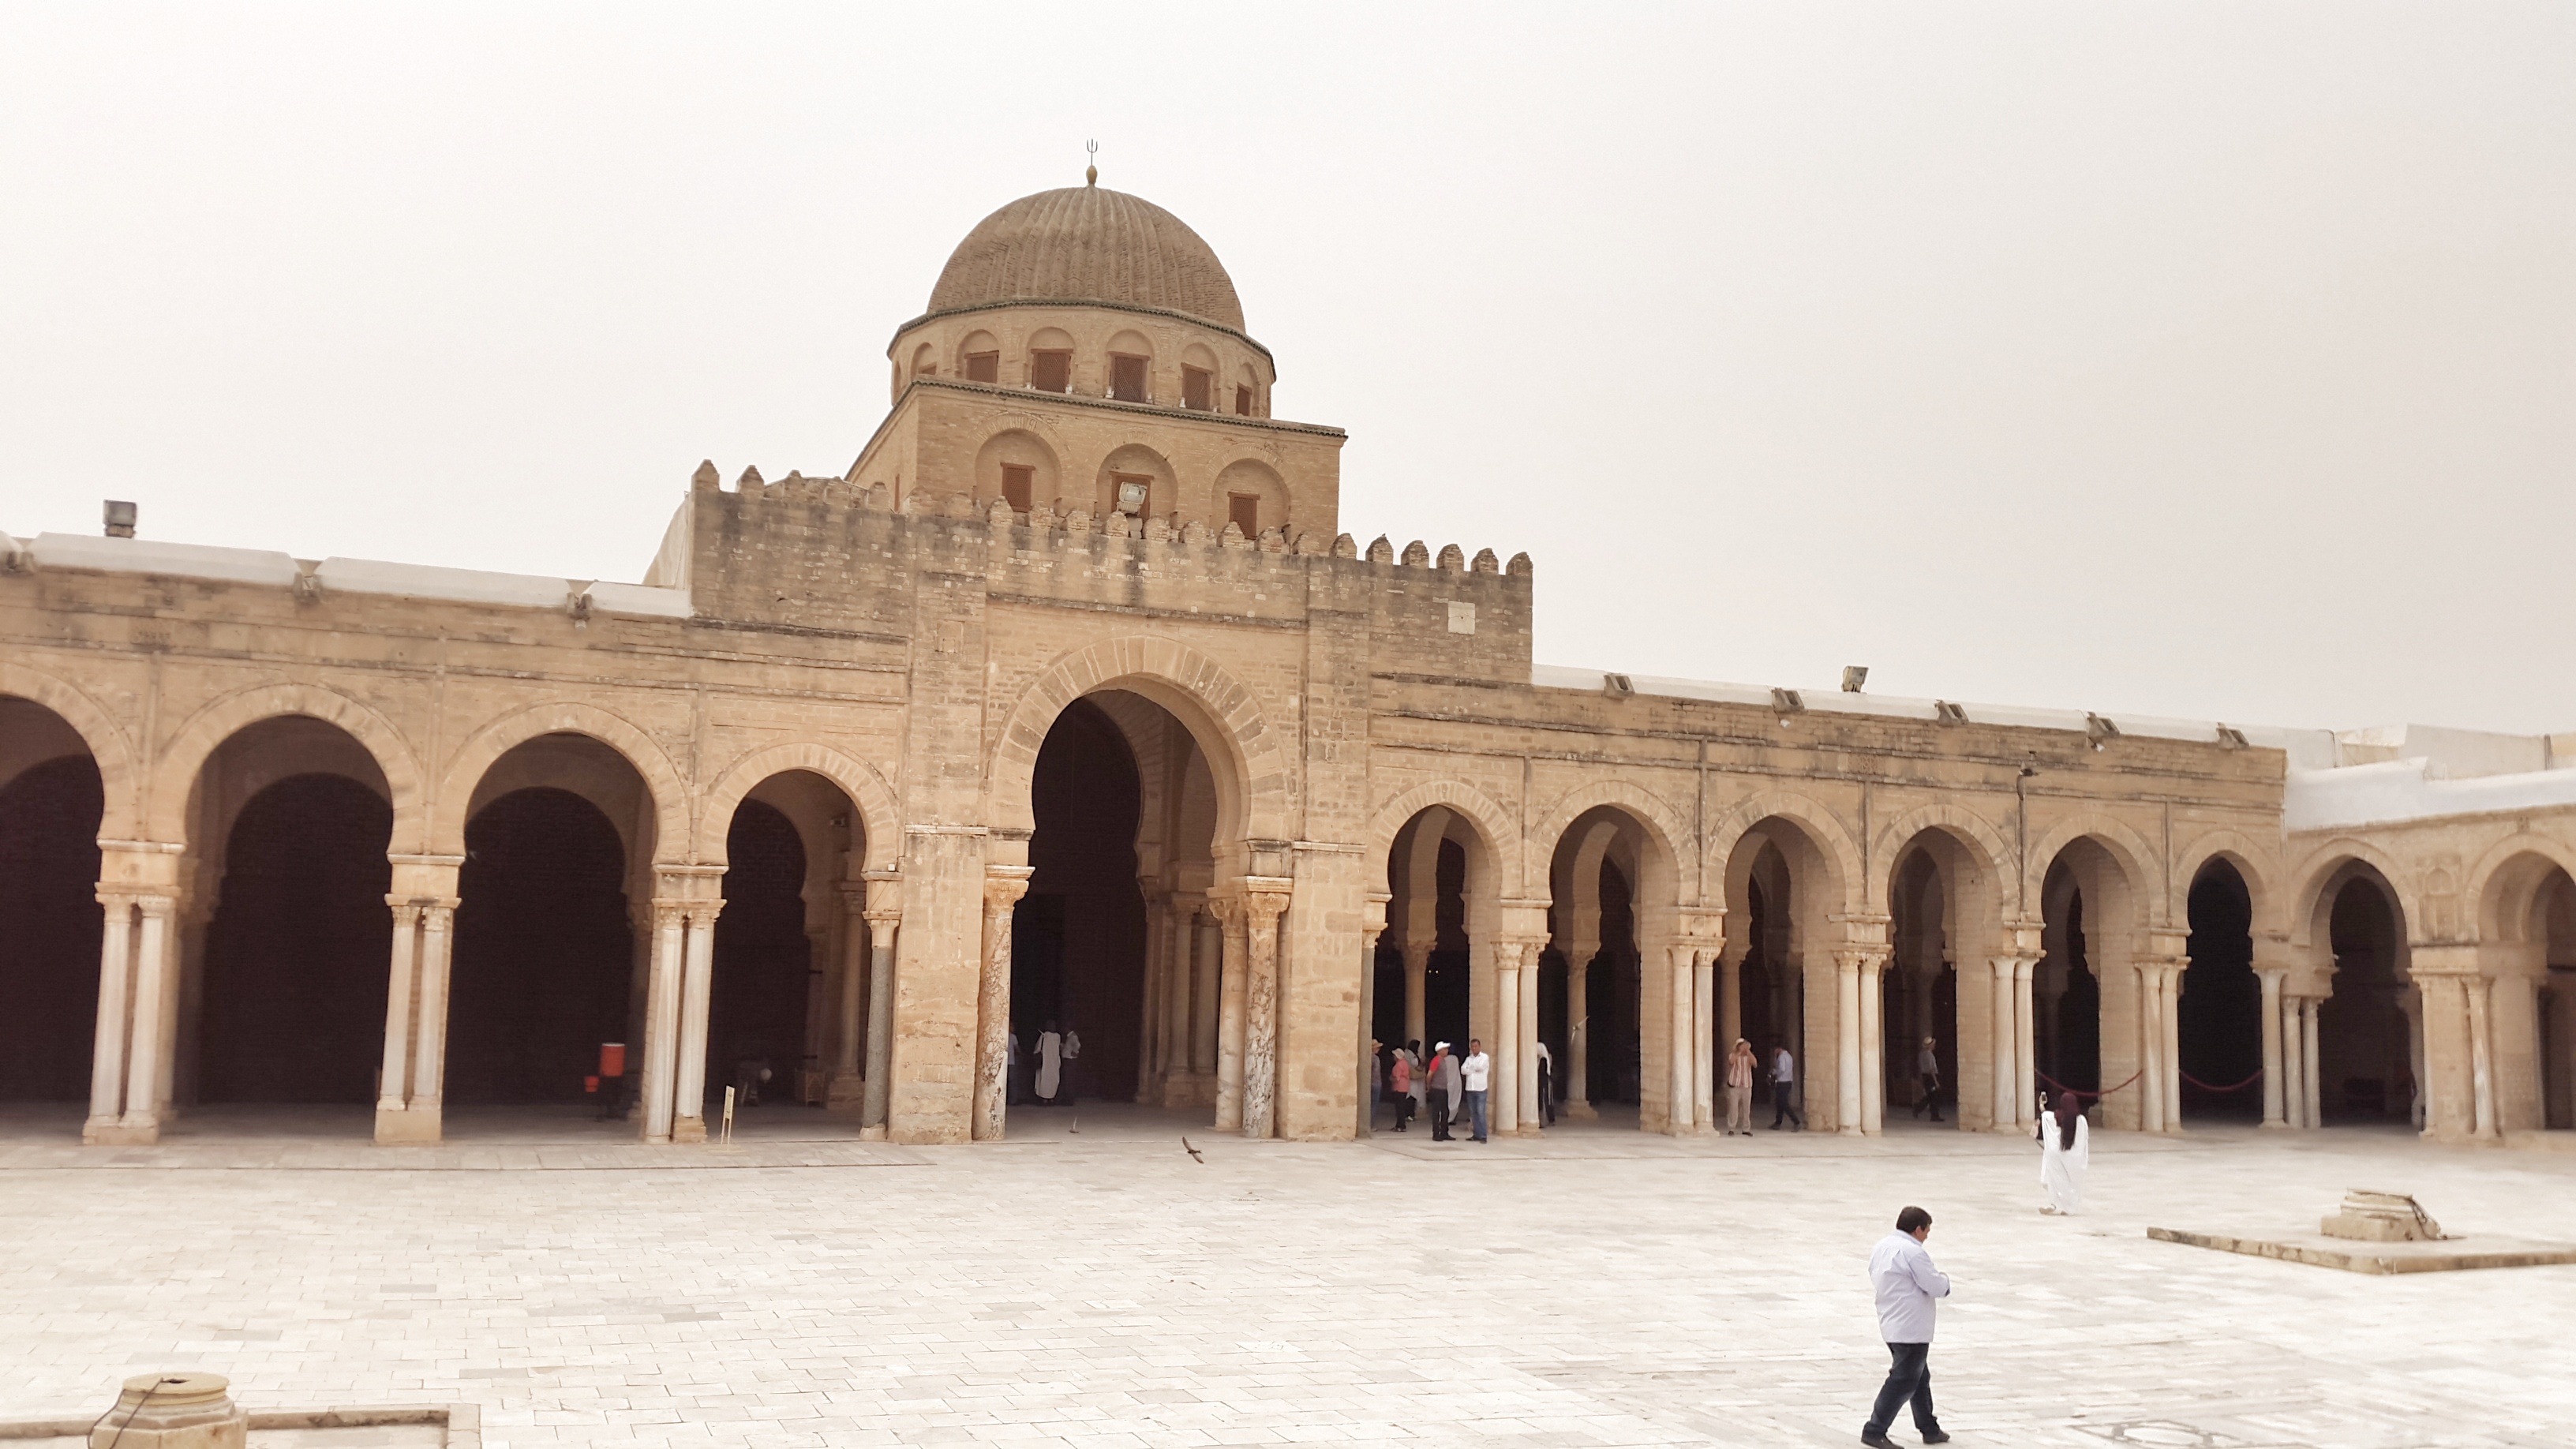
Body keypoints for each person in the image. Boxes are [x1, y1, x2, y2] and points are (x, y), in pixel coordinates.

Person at [1863, 1205, 1951, 1447]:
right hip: (1911, 1326)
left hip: (1892, 1320)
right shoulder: (1913, 1252)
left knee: (1919, 1375)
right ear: (1918, 1228)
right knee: (1904, 1379)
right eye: (1927, 1231)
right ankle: (1874, 1429)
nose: (1927, 1236)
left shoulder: (1882, 1246)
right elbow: (1934, 1284)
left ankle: (1929, 1428)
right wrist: (1945, 1282)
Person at [2039, 1090, 2089, 1215]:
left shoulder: (2056, 1117)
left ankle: (2053, 1203)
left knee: (2055, 1179)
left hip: (2058, 1154)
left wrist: (2041, 1104)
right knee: (2071, 1183)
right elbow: (2083, 1138)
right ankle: (2069, 1208)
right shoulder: (2081, 1120)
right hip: (2074, 1157)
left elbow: (2045, 1116)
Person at [1426, 1042, 1458, 1140]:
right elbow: (1429, 1075)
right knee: (1436, 1112)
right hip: (1437, 1089)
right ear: (1440, 1050)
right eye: (1445, 1049)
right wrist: (1429, 1086)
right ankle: (1436, 1133)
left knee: (1445, 1111)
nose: (1447, 1050)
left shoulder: (1443, 1060)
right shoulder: (1436, 1060)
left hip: (1443, 1089)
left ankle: (1444, 1132)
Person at [1462, 1037, 1492, 1143]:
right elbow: (1463, 1070)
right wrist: (1472, 1069)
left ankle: (1483, 1135)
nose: (1474, 1048)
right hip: (1470, 1088)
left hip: (1480, 1088)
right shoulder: (1468, 1058)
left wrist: (1470, 1069)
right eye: (1472, 1047)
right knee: (1473, 1113)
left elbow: (1480, 1067)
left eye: (1476, 1046)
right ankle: (1476, 1134)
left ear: (1480, 1047)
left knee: (1480, 1112)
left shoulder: (1484, 1057)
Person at [1724, 1038, 1755, 1135]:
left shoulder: (1749, 1057)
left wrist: (1748, 1052)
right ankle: (1731, 1128)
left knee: (1746, 1108)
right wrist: (1739, 1052)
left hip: (1747, 1085)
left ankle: (1746, 1129)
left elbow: (1755, 1063)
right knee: (1733, 1108)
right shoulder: (1733, 1055)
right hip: (1735, 1085)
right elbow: (1731, 1062)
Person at [1770, 1043, 1805, 1129]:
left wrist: (1774, 1072)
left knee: (1783, 1103)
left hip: (1782, 1081)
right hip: (1788, 1081)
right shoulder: (1789, 1056)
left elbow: (1782, 1069)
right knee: (1779, 1103)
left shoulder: (1781, 1057)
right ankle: (1778, 1122)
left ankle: (1796, 1121)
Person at [1034, 1020, 1065, 1105]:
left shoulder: (1044, 1036)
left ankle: (1045, 1099)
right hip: (1054, 1062)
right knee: (1053, 1079)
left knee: (1044, 1079)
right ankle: (1051, 1098)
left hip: (1046, 1062)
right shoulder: (1057, 1036)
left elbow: (1038, 1048)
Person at [1913, 1037, 1943, 1122]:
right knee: (1934, 1096)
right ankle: (1932, 1114)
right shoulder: (1929, 1055)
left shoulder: (1921, 1055)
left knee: (1930, 1096)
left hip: (1925, 1076)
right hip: (1931, 1077)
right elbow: (1931, 1069)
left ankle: (1920, 1109)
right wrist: (1936, 1082)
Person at [1387, 1043, 1413, 1132]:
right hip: (1405, 1088)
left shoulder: (1398, 1065)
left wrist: (1390, 1078)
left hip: (1399, 1088)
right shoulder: (1405, 1063)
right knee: (1401, 1107)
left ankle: (1401, 1125)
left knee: (1399, 1108)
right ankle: (1400, 1125)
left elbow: (1396, 1078)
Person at [1535, 1039, 1556, 1125]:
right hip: (1542, 1082)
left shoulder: (1543, 1060)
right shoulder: (1541, 1059)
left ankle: (1547, 1120)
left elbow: (1543, 1073)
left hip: (1543, 1083)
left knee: (1545, 1100)